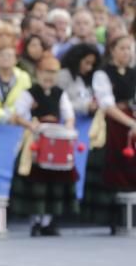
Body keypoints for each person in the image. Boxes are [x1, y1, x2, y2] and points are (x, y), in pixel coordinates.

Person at [8, 53, 78, 236]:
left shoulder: (59, 93)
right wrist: (32, 125)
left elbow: (68, 115)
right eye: (46, 72)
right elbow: (17, 115)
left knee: (54, 182)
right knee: (36, 181)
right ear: (38, 73)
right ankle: (36, 220)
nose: (49, 76)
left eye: (53, 72)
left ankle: (48, 220)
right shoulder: (29, 93)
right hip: (36, 140)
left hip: (56, 140)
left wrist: (68, 128)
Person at [82, 34, 136, 227]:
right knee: (112, 166)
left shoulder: (133, 72)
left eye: (129, 48)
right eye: (122, 48)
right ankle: (112, 218)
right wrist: (130, 123)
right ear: (112, 50)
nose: (126, 52)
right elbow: (107, 105)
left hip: (131, 121)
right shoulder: (102, 73)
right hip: (112, 125)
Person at [58, 43, 109, 119]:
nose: (89, 68)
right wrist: (85, 106)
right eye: (87, 63)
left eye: (92, 64)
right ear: (77, 59)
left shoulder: (87, 77)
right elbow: (58, 102)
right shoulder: (63, 75)